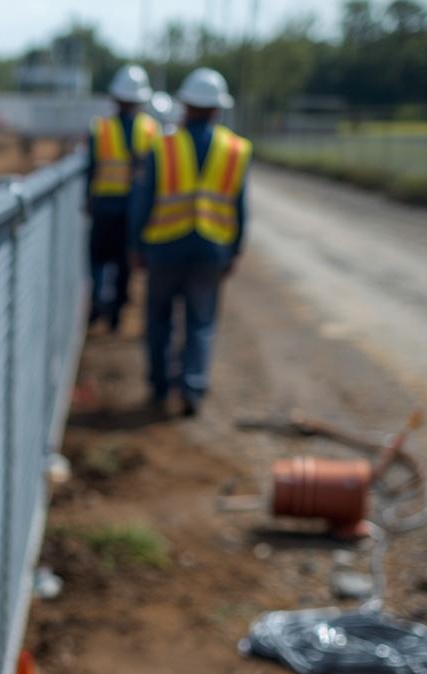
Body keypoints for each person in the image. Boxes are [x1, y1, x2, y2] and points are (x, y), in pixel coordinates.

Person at [128, 67, 251, 416]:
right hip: (211, 251)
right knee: (200, 321)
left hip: (165, 249)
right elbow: (240, 207)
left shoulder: (162, 146)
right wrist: (236, 249)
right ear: (217, 109)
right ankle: (192, 387)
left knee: (159, 321)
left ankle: (159, 386)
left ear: (184, 104)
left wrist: (135, 246)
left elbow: (143, 202)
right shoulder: (236, 149)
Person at [85, 64, 160, 333]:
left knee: (98, 259)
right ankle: (116, 311)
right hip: (134, 209)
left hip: (105, 204)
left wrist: (88, 199)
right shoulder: (152, 130)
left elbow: (91, 168)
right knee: (123, 261)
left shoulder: (100, 128)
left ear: (115, 97)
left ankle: (97, 302)